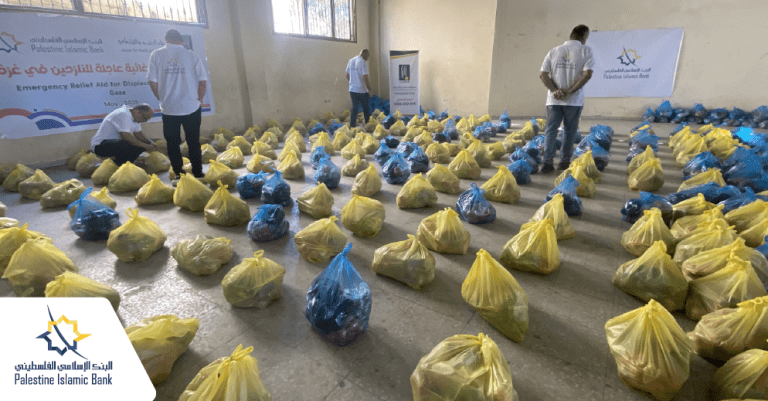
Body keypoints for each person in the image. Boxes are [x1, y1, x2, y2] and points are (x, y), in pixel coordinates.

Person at [147, 28, 207, 184]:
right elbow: (202, 81)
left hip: (169, 108)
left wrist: (162, 99)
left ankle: (179, 174)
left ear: (166, 39)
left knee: (172, 144)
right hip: (191, 106)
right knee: (193, 142)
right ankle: (198, 173)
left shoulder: (156, 55)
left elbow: (152, 82)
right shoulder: (192, 55)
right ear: (181, 40)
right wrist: (199, 100)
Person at [539, 24, 594, 173]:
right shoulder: (586, 51)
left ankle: (547, 163)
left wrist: (555, 90)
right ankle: (564, 162)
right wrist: (570, 92)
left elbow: (543, 74)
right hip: (574, 101)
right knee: (570, 130)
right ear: (584, 37)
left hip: (554, 100)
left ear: (571, 35)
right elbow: (587, 74)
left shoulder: (554, 51)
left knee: (551, 130)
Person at [91, 104, 156, 165]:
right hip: (100, 146)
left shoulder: (135, 118)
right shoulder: (123, 114)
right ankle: (117, 164)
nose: (144, 121)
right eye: (145, 118)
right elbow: (126, 136)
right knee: (127, 144)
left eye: (147, 120)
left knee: (141, 145)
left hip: (115, 145)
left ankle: (125, 163)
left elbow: (139, 135)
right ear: (137, 112)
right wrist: (147, 146)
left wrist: (151, 143)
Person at [346, 49, 372, 127]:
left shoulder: (351, 60)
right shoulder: (363, 62)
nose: (367, 58)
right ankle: (368, 125)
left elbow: (347, 75)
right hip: (361, 90)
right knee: (366, 108)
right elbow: (365, 77)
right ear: (364, 54)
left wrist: (353, 83)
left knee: (354, 108)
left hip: (352, 89)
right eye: (367, 56)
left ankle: (352, 125)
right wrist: (369, 90)